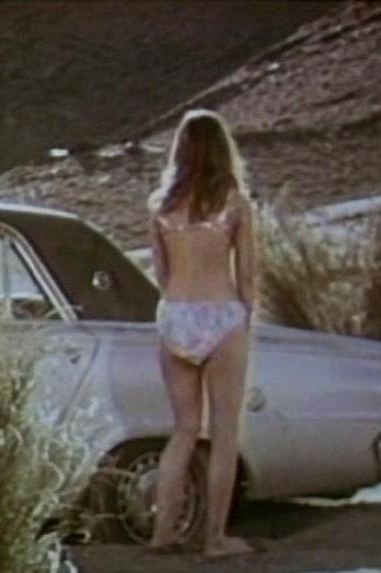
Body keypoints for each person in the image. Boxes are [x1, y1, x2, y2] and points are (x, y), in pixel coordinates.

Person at [147, 109, 257, 558]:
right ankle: (215, 539)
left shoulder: (160, 204)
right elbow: (247, 274)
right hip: (221, 313)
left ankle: (162, 532)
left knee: (184, 430)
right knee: (225, 433)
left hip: (175, 313)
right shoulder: (235, 202)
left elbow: (161, 271)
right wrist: (247, 319)